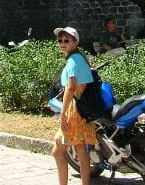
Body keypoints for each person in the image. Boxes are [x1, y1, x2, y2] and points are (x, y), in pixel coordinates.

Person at [51, 26, 97, 185]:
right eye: (60, 40)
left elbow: (70, 88)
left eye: (66, 40)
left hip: (74, 110)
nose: (62, 43)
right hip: (82, 110)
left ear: (75, 43)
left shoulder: (72, 61)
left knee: (58, 151)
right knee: (81, 150)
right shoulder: (79, 58)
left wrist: (62, 113)